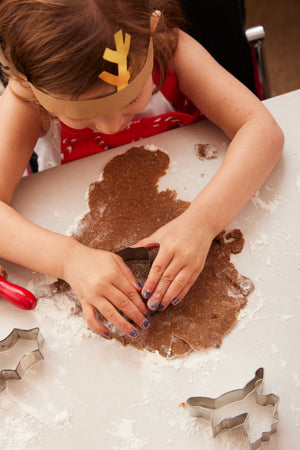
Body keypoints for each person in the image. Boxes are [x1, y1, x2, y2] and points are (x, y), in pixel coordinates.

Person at [0, 0, 284, 339]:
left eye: (131, 100)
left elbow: (263, 131)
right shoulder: (27, 96)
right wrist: (67, 259)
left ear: (150, 34)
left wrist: (202, 222)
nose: (109, 127)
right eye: (83, 117)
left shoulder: (167, 47)